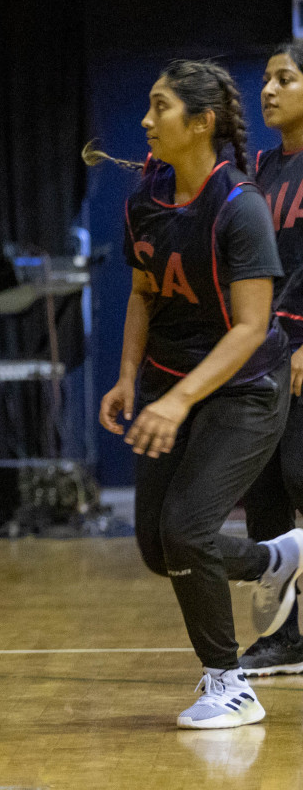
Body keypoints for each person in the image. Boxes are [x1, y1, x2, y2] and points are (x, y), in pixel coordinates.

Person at [94, 60, 303, 729]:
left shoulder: (239, 207)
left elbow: (249, 329)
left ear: (202, 122)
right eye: (149, 108)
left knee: (188, 529)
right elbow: (142, 296)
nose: (148, 121)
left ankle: (230, 685)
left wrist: (181, 401)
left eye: (161, 108)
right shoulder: (144, 201)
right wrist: (130, 378)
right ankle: (276, 557)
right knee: (160, 548)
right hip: (166, 381)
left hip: (244, 389)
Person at [238, 40, 303, 675]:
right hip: (261, 353)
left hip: (300, 345)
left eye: (285, 78)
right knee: (261, 490)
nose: (269, 90)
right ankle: (284, 636)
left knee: (300, 475)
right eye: (265, 79)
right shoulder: (259, 168)